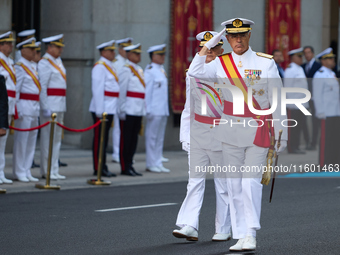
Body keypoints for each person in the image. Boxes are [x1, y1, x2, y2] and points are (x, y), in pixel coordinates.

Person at [187, 18, 288, 251]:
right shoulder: (220, 63)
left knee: (250, 183)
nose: (238, 40)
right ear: (227, 39)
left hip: (258, 128)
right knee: (234, 184)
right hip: (230, 129)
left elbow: (278, 98)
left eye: (242, 35)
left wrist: (280, 134)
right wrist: (211, 41)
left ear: (249, 35)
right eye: (232, 36)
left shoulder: (265, 63)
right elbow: (194, 71)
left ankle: (251, 233)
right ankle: (241, 234)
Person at [173, 31, 231, 242]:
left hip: (221, 133)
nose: (206, 54)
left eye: (211, 50)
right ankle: (190, 225)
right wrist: (185, 136)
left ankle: (223, 227)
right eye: (203, 50)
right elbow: (189, 108)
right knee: (195, 181)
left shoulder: (226, 71)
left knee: (223, 184)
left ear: (220, 51)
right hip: (198, 132)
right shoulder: (195, 72)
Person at [38, 34, 67, 180]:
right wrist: (45, 106)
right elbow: (42, 86)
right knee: (47, 140)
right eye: (58, 47)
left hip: (60, 105)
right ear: (49, 47)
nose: (60, 50)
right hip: (50, 106)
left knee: (56, 140)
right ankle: (46, 170)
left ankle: (54, 169)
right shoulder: (44, 63)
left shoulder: (58, 61)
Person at [89, 40, 119, 177]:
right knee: (100, 139)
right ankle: (98, 167)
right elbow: (98, 89)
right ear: (103, 52)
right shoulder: (100, 67)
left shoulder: (109, 65)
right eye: (111, 50)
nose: (114, 53)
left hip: (110, 107)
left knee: (104, 139)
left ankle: (103, 165)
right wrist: (100, 110)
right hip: (103, 109)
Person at [12, 38, 40, 182]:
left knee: (31, 141)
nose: (34, 51)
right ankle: (19, 170)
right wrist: (17, 108)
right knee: (21, 141)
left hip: (34, 106)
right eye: (31, 49)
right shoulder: (20, 66)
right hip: (24, 105)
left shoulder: (33, 65)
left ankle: (27, 169)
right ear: (23, 50)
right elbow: (16, 89)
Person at [118, 43, 145, 176]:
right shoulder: (125, 69)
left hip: (138, 109)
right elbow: (122, 91)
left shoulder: (139, 69)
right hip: (128, 109)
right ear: (129, 55)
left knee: (134, 139)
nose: (139, 56)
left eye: (139, 53)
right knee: (126, 139)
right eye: (136, 53)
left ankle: (130, 164)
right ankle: (124, 166)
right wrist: (122, 109)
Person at [144, 44, 170, 173]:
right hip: (154, 109)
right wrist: (147, 109)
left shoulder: (161, 70)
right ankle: (150, 163)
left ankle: (157, 162)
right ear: (153, 56)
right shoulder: (149, 71)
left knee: (159, 138)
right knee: (152, 137)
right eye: (160, 55)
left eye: (163, 55)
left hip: (162, 109)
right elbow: (147, 92)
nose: (163, 57)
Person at [312, 48, 340, 167]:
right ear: (323, 61)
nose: (332, 60)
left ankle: (334, 162)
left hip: (335, 113)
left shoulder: (331, 74)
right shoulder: (320, 74)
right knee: (325, 140)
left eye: (333, 58)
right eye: (329, 58)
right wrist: (320, 112)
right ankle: (324, 163)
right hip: (326, 113)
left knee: (334, 139)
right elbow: (317, 95)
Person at [111, 37, 133, 163]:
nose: (127, 51)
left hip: (125, 98)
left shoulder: (129, 63)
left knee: (124, 128)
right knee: (117, 128)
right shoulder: (116, 63)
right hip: (116, 97)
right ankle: (116, 152)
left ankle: (123, 153)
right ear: (119, 49)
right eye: (125, 49)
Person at [284, 48, 309, 154]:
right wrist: (289, 103)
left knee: (299, 126)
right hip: (293, 104)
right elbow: (287, 87)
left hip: (302, 104)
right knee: (293, 127)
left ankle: (297, 146)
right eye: (299, 56)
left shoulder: (300, 69)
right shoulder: (290, 70)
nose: (301, 58)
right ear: (293, 57)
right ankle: (291, 147)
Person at [0, 31, 16, 184]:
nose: (12, 46)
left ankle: (1, 172)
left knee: (3, 142)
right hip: (2, 103)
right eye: (9, 43)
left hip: (8, 103)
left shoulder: (10, 61)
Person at [302, 46, 321, 150]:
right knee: (303, 120)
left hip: (314, 97)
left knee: (315, 121)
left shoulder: (318, 66)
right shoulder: (302, 66)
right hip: (304, 97)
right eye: (305, 53)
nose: (307, 55)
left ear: (312, 53)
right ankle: (307, 141)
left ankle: (314, 143)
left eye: (309, 52)